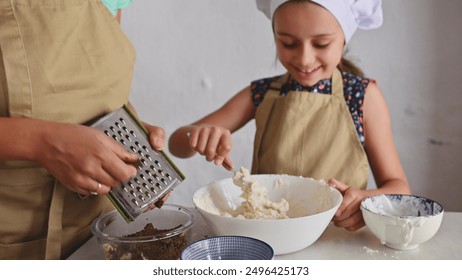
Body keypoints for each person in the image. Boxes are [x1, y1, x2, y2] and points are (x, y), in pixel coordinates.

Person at [168, 0, 410, 231]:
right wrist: (196, 135)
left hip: (339, 237)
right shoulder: (261, 93)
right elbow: (176, 145)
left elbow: (399, 189)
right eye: (289, 43)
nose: (304, 59)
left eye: (321, 44)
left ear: (344, 38)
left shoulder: (363, 96)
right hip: (269, 236)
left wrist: (366, 201)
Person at [0, 0, 165, 259]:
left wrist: (128, 128)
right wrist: (41, 143)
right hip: (14, 234)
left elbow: (97, 90)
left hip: (100, 228)